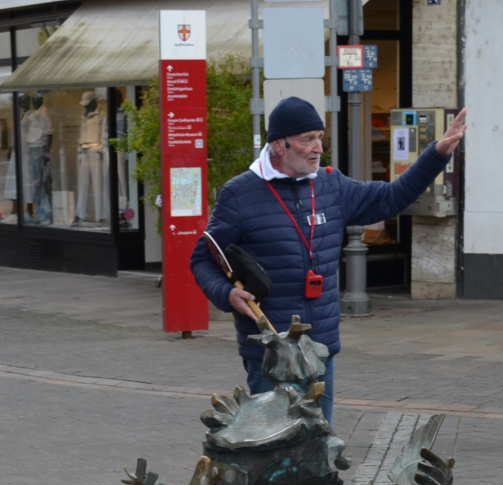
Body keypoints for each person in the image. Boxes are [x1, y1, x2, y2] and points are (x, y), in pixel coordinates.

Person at [190, 96, 468, 423]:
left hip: (320, 348)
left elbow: (391, 198)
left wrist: (436, 155)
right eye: (307, 139)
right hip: (270, 353)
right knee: (272, 446)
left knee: (319, 442)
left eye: (320, 138)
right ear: (279, 145)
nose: (317, 148)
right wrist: (227, 294)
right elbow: (203, 258)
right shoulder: (239, 194)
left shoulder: (331, 185)